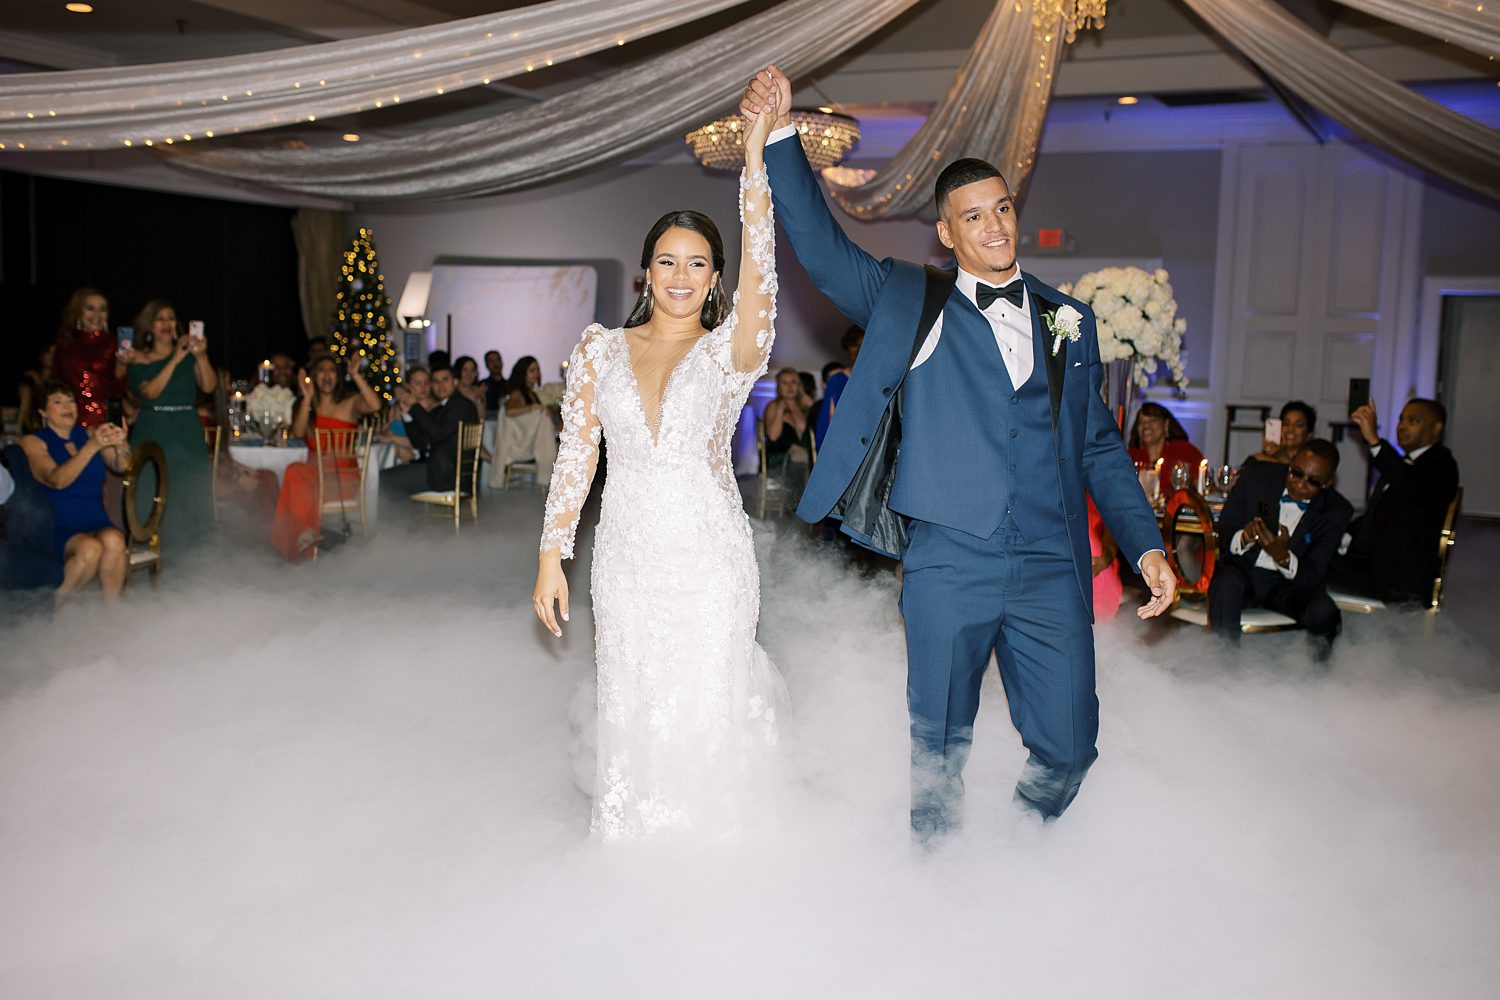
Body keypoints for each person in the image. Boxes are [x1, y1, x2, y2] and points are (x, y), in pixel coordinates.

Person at [745, 65, 1173, 836]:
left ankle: (1018, 842)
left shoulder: (1067, 320)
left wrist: (1145, 547)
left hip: (1049, 560)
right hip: (949, 559)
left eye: (1003, 208)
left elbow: (1101, 448)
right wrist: (782, 136)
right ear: (948, 233)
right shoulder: (913, 299)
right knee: (939, 747)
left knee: (1072, 747)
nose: (996, 227)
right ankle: (940, 889)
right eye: (974, 216)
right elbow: (821, 247)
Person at [533, 93, 783, 842]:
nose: (681, 275)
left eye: (698, 264)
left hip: (709, 559)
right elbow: (576, 455)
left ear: (715, 279)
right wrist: (553, 556)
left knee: (708, 699)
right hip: (627, 558)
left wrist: (756, 158)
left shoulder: (731, 351)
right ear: (646, 270)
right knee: (634, 700)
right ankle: (632, 851)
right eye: (668, 261)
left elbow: (764, 268)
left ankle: (717, 849)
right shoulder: (598, 350)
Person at [1209, 440, 1352, 657]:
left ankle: (1319, 680)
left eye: (1313, 481)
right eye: (1296, 473)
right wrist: (1244, 537)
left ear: (1328, 483)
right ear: (1291, 463)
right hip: (1244, 572)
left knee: (1325, 612)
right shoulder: (1256, 476)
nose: (1300, 484)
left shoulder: (1337, 510)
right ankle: (1224, 668)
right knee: (1225, 583)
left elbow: (1315, 572)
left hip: (1288, 585)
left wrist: (1283, 557)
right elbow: (1225, 528)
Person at [1330, 398, 1460, 604]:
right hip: (1372, 564)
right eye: (1401, 420)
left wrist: (1374, 440)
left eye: (1413, 421)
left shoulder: (1441, 465)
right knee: (1311, 554)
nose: (1402, 426)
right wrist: (1342, 534)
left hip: (1399, 578)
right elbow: (1379, 514)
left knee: (1311, 567)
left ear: (1436, 428)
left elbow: (1410, 487)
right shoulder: (1402, 465)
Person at [19, 382, 131, 604]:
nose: (67, 406)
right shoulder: (33, 442)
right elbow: (57, 480)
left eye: (70, 401)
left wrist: (121, 444)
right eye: (58, 402)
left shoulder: (90, 434)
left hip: (94, 519)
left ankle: (113, 614)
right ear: (42, 411)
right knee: (90, 548)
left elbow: (121, 466)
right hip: (56, 523)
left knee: (115, 539)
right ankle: (54, 611)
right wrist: (91, 447)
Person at [124, 299, 218, 555]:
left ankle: (194, 555)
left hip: (187, 429)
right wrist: (175, 359)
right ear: (149, 326)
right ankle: (153, 553)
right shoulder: (138, 358)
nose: (167, 324)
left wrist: (201, 356)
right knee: (151, 489)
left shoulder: (190, 356)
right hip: (154, 429)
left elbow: (209, 386)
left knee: (189, 490)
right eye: (160, 319)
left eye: (171, 318)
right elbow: (149, 393)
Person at [271, 356, 380, 562]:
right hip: (315, 477)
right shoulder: (309, 409)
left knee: (296, 476)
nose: (327, 374)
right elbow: (297, 433)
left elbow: (374, 405)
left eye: (331, 370)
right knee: (295, 470)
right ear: (315, 377)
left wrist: (355, 375)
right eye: (322, 370)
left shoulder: (349, 403)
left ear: (337, 377)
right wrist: (306, 398)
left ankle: (304, 540)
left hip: (343, 479)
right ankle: (306, 533)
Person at [396, 362, 479, 493]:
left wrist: (415, 406)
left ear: (455, 382)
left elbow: (437, 434)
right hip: (442, 473)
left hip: (450, 479)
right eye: (435, 381)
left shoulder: (460, 406)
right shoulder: (444, 407)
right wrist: (407, 414)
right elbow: (420, 442)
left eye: (445, 380)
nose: (440, 385)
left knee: (385, 480)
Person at [50, 287, 124, 429]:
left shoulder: (114, 343)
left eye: (102, 309)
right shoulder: (66, 343)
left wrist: (123, 364)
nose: (97, 314)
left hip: (103, 419)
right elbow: (56, 381)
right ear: (79, 312)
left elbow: (119, 388)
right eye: (90, 308)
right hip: (69, 417)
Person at [1128, 401, 1204, 499]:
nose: (1146, 426)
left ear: (1166, 424)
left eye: (1152, 420)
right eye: (1141, 422)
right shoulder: (1131, 456)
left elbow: (1201, 486)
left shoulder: (1185, 451)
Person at [763, 365, 814, 504]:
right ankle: (800, 502)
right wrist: (780, 410)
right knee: (801, 455)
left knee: (812, 456)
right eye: (784, 383)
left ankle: (810, 501)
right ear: (779, 386)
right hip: (779, 455)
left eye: (793, 382)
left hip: (804, 453)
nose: (789, 387)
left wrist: (813, 407)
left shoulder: (805, 406)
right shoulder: (773, 405)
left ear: (799, 385)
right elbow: (773, 436)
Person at [814, 325, 863, 449]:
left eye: (863, 345)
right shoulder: (837, 380)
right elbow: (826, 424)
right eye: (854, 345)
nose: (858, 351)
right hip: (843, 446)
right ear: (847, 349)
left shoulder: (880, 379)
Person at [1245, 400, 1316, 466]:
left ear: (1309, 434)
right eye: (1286, 424)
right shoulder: (1258, 460)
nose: (1290, 430)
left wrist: (1282, 457)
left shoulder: (1312, 464)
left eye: (1298, 425)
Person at [17, 344, 55, 433]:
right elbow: (24, 410)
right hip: (32, 429)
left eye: (55, 353)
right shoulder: (31, 378)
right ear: (41, 355)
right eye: (48, 353)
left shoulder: (61, 382)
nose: (51, 357)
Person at [453, 354, 488, 421]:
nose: (469, 374)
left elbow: (481, 418)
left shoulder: (478, 391)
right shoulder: (452, 390)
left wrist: (480, 399)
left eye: (473, 370)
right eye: (465, 370)